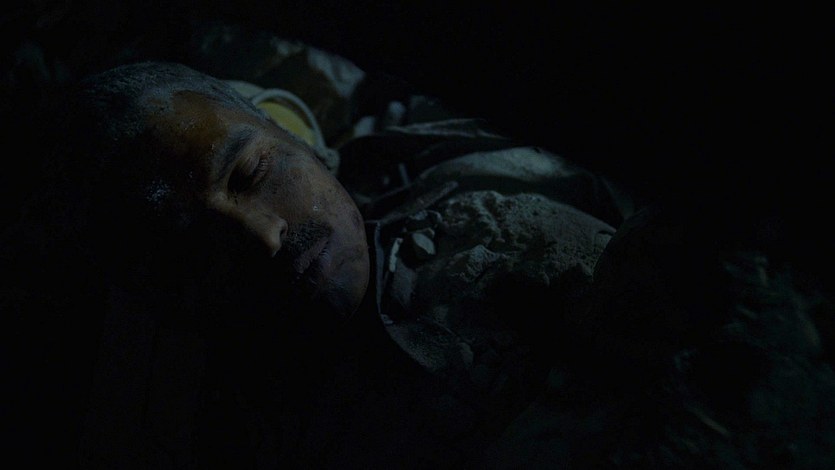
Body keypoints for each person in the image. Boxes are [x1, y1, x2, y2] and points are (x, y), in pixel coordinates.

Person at [5, 56, 833, 469]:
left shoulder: (478, 158)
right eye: (187, 253)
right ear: (159, 304)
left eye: (253, 174)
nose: (261, 239)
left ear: (293, 131)